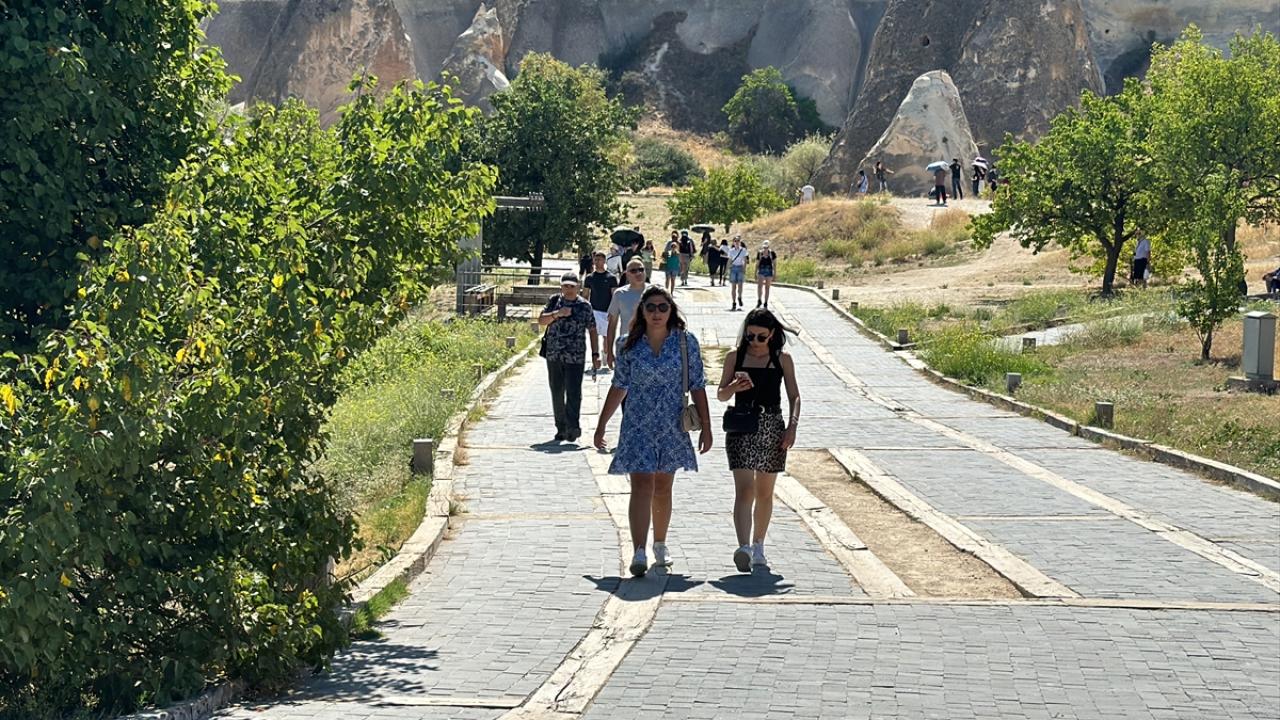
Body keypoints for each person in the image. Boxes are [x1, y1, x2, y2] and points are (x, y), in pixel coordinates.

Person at [594, 286, 712, 577]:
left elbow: (697, 385)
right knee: (642, 485)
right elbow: (619, 385)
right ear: (642, 312)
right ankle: (638, 550)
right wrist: (601, 424)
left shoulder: (686, 342)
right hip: (638, 423)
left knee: (662, 486)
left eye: (663, 307)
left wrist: (707, 429)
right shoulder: (627, 345)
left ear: (671, 310)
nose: (657, 313)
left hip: (672, 424)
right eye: (651, 308)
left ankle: (660, 543)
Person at [717, 308, 800, 571]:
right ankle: (743, 547)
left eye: (760, 337)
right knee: (744, 490)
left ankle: (759, 544)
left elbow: (794, 396)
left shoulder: (782, 359)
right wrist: (733, 388)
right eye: (750, 336)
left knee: (764, 492)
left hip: (772, 426)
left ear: (772, 334)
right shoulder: (735, 356)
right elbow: (720, 395)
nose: (754, 342)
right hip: (741, 426)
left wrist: (792, 428)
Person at [538, 272, 599, 442]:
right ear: (561, 287)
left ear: (578, 287)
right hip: (554, 354)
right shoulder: (554, 302)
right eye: (566, 285)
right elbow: (541, 321)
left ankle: (573, 426)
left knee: (574, 392)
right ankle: (561, 428)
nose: (569, 289)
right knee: (557, 392)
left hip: (576, 356)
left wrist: (596, 354)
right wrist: (557, 314)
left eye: (572, 286)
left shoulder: (585, 306)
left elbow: (592, 330)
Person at [606, 258, 649, 369]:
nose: (638, 273)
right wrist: (609, 352)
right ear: (627, 274)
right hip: (628, 346)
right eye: (633, 271)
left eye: (641, 269)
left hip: (652, 346)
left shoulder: (655, 291)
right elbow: (612, 325)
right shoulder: (620, 294)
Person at [583, 251, 619, 350]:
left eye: (599, 260)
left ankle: (606, 356)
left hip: (607, 311)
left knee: (606, 336)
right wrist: (585, 310)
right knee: (593, 335)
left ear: (604, 261)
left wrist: (613, 311)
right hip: (594, 310)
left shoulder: (611, 278)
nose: (597, 262)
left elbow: (615, 296)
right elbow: (585, 295)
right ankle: (596, 356)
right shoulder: (589, 278)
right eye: (595, 260)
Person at [725, 234, 750, 311]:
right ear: (733, 242)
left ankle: (739, 297)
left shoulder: (743, 250)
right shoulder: (731, 251)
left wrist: (744, 269)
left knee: (740, 285)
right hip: (733, 268)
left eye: (738, 241)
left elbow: (745, 260)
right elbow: (729, 260)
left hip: (740, 268)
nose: (737, 242)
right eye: (735, 241)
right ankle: (734, 302)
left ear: (740, 242)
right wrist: (726, 270)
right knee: (733, 287)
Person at [755, 240, 777, 308]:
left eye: (766, 247)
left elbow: (774, 264)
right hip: (761, 269)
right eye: (764, 247)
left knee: (767, 287)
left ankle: (766, 302)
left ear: (769, 247)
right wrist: (755, 272)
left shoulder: (772, 253)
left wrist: (774, 273)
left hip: (769, 270)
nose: (765, 249)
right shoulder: (760, 253)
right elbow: (757, 263)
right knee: (760, 286)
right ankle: (759, 300)